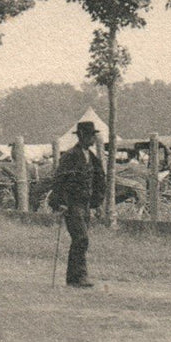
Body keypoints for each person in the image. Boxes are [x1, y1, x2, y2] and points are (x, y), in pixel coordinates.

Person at [49, 121, 106, 288]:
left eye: (93, 135)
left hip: (85, 204)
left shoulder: (92, 158)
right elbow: (59, 180)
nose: (93, 139)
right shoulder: (70, 156)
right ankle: (79, 276)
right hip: (72, 204)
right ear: (81, 136)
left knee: (80, 240)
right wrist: (60, 202)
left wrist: (97, 203)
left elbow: (99, 180)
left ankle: (74, 277)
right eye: (90, 135)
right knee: (81, 238)